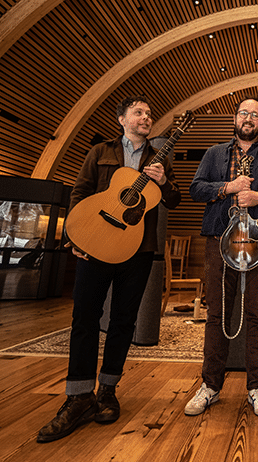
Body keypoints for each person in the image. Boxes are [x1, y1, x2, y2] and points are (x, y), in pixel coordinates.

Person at [37, 96, 181, 443]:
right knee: (84, 318)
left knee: (123, 322)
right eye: (138, 112)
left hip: (138, 250)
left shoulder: (157, 159)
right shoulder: (100, 151)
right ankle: (78, 396)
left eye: (149, 113)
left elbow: (174, 200)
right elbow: (80, 192)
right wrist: (74, 235)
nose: (146, 117)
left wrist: (162, 182)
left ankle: (107, 391)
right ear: (122, 119)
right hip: (96, 246)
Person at [185, 98, 258, 418]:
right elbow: (195, 189)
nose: (249, 118)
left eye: (255, 115)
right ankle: (210, 386)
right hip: (219, 242)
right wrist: (227, 187)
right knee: (217, 314)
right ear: (235, 118)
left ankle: (256, 387)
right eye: (244, 113)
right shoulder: (215, 153)